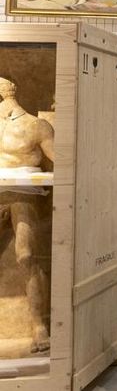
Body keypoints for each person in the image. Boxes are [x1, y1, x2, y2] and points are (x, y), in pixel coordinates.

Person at [0, 77, 55, 353]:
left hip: (22, 192)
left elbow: (60, 159)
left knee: (26, 255)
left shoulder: (36, 125)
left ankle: (39, 325)